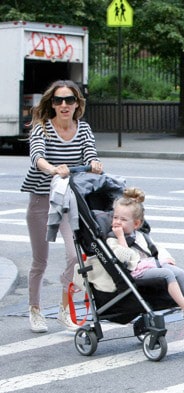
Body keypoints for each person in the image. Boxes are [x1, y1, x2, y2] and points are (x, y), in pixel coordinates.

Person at [21, 80, 104, 333]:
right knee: (40, 260)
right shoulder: (42, 128)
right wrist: (52, 169)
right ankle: (35, 310)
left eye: (69, 100)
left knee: (73, 255)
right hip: (41, 197)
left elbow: (90, 152)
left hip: (68, 198)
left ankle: (64, 307)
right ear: (52, 104)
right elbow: (37, 157)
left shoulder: (84, 128)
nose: (64, 105)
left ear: (77, 103)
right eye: (58, 100)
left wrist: (94, 162)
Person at [106, 187, 184, 328]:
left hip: (150, 265)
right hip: (135, 272)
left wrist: (167, 259)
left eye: (123, 219)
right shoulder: (112, 240)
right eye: (115, 217)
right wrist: (120, 237)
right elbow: (125, 258)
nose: (117, 222)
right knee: (167, 274)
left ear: (136, 224)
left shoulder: (141, 236)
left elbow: (155, 248)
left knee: (178, 272)